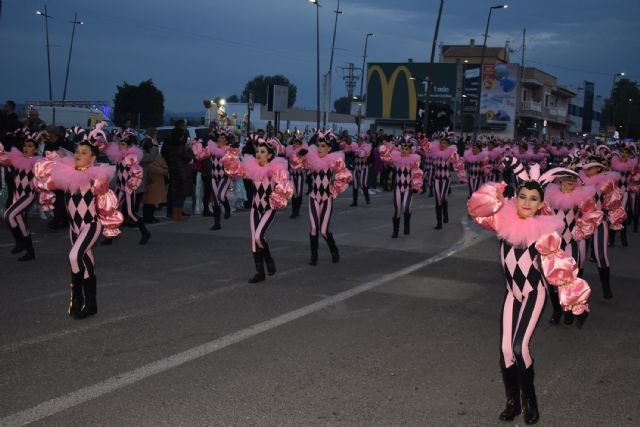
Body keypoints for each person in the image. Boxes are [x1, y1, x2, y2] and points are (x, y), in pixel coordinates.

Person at [468, 164, 591, 425]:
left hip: (534, 295)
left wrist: (575, 297)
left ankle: (529, 402)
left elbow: (561, 267)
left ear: (539, 204)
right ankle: (512, 402)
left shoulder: (545, 231)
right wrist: (496, 193)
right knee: (505, 350)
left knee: (518, 346)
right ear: (516, 197)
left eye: (532, 199)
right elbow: (476, 209)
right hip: (511, 294)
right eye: (522, 196)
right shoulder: (503, 220)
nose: (526, 202)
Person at [33, 124, 124, 319]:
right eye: (77, 151)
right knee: (85, 261)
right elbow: (42, 180)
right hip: (74, 229)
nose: (78, 155)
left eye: (84, 153)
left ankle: (77, 299)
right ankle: (92, 304)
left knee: (74, 256)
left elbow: (106, 202)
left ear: (92, 158)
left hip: (90, 225)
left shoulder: (96, 178)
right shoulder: (65, 174)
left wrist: (109, 224)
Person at [222, 137, 293, 283]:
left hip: (268, 208)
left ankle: (269, 260)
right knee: (254, 240)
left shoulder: (276, 169)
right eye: (258, 151)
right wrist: (233, 152)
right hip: (255, 209)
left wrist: (278, 195)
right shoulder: (252, 167)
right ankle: (260, 272)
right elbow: (233, 169)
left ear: (270, 155)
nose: (259, 154)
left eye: (263, 151)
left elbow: (286, 187)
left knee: (259, 236)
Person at [542, 155, 602, 324]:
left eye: (573, 178)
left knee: (570, 280)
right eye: (567, 178)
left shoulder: (581, 196)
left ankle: (567, 311)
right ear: (559, 180)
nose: (570, 181)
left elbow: (591, 215)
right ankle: (556, 311)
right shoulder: (549, 197)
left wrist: (582, 228)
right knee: (552, 281)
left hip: (571, 243)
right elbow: (541, 217)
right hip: (553, 246)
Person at [290, 130, 352, 265]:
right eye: (319, 145)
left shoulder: (333, 160)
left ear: (329, 148)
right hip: (313, 197)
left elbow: (345, 176)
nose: (320, 148)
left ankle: (333, 249)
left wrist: (334, 188)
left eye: (323, 146)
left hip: (326, 199)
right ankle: (314, 256)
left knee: (323, 231)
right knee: (313, 228)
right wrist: (299, 155)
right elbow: (295, 164)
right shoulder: (311, 159)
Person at [578, 154, 627, 299]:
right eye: (587, 167)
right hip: (583, 223)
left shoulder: (607, 182)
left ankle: (606, 287)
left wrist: (614, 217)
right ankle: (577, 290)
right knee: (580, 258)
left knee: (601, 256)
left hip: (600, 222)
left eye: (592, 167)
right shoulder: (579, 181)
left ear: (599, 168)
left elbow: (614, 202)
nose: (588, 169)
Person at [102, 128, 150, 245]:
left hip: (128, 189)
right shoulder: (120, 156)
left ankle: (145, 232)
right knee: (110, 211)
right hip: (120, 188)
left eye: (122, 144)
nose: (120, 146)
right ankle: (109, 237)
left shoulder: (131, 157)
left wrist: (132, 184)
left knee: (130, 213)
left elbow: (138, 171)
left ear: (128, 145)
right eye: (119, 144)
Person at [0, 131, 42, 261]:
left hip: (28, 195)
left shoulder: (37, 162)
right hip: (17, 197)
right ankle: (31, 252)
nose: (26, 148)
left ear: (35, 149)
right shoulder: (17, 159)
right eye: (25, 145)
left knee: (8, 215)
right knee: (22, 225)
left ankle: (20, 242)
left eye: (30, 146)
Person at [192, 127, 237, 230]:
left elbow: (234, 163)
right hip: (213, 177)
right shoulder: (211, 148)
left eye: (223, 138)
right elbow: (200, 156)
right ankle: (217, 224)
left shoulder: (229, 150)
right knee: (216, 201)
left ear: (226, 141)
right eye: (219, 138)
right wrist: (196, 147)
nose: (220, 140)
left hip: (224, 177)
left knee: (221, 196)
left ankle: (227, 208)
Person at [379, 136, 423, 238]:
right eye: (402, 148)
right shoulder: (396, 158)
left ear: (410, 150)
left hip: (409, 187)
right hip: (398, 187)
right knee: (397, 209)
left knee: (406, 207)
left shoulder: (414, 160)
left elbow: (417, 173)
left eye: (407, 148)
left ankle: (406, 225)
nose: (404, 150)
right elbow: (385, 158)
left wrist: (416, 186)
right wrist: (387, 147)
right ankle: (396, 231)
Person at [423, 133, 466, 229]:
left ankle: (445, 214)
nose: (442, 144)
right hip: (437, 179)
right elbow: (425, 150)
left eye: (444, 143)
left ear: (448, 144)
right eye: (441, 142)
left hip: (446, 179)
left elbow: (457, 164)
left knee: (443, 198)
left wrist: (461, 177)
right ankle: (439, 222)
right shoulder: (435, 153)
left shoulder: (450, 153)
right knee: (438, 200)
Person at [162, 121, 193, 220]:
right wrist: (189, 149)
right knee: (181, 193)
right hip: (181, 172)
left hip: (173, 170)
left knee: (174, 193)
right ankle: (177, 214)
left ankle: (173, 212)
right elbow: (188, 157)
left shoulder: (169, 146)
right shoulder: (180, 148)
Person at [141, 127, 166, 223]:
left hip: (152, 172)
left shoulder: (149, 141)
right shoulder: (148, 142)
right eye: (155, 133)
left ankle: (150, 216)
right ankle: (148, 217)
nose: (157, 135)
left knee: (152, 199)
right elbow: (150, 158)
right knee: (149, 199)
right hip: (150, 173)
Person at [285, 133, 307, 219]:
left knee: (299, 193)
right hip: (292, 175)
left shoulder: (303, 152)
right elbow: (287, 164)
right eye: (295, 143)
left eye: (298, 143)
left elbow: (306, 164)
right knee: (294, 193)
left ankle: (297, 210)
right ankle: (293, 211)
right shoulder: (289, 152)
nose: (296, 144)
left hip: (300, 175)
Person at [347, 133, 372, 206]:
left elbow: (366, 154)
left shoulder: (367, 147)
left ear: (364, 140)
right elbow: (348, 151)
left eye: (361, 139)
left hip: (364, 167)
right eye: (359, 139)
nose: (360, 140)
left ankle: (367, 199)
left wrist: (359, 151)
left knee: (363, 183)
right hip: (356, 167)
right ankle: (355, 202)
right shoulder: (355, 146)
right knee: (355, 184)